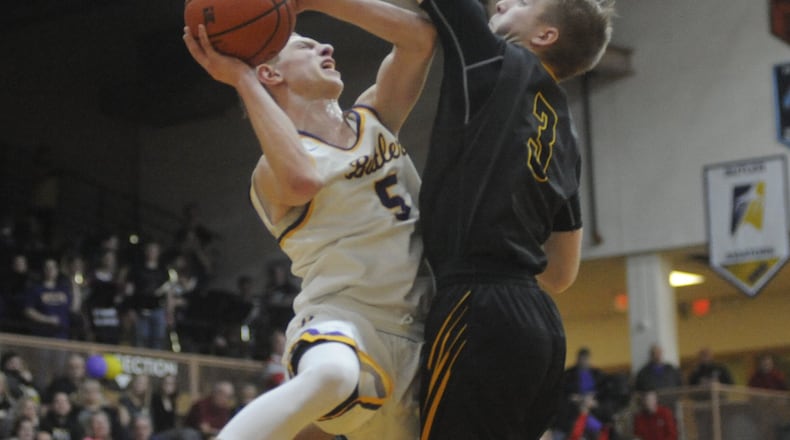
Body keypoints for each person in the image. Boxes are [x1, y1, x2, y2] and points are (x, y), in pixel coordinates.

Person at [182, 0, 435, 437]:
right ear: (270, 74)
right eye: (305, 44)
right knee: (331, 375)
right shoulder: (272, 170)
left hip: (425, 330)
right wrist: (242, 78)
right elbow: (302, 180)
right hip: (345, 321)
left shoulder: (376, 117)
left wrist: (319, 2)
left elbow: (420, 39)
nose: (326, 45)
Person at [413, 0, 615, 438]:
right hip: (539, 325)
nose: (501, 1)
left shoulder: (491, 57)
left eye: (522, 1)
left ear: (545, 36)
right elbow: (562, 272)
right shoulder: (566, 132)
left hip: (478, 303)